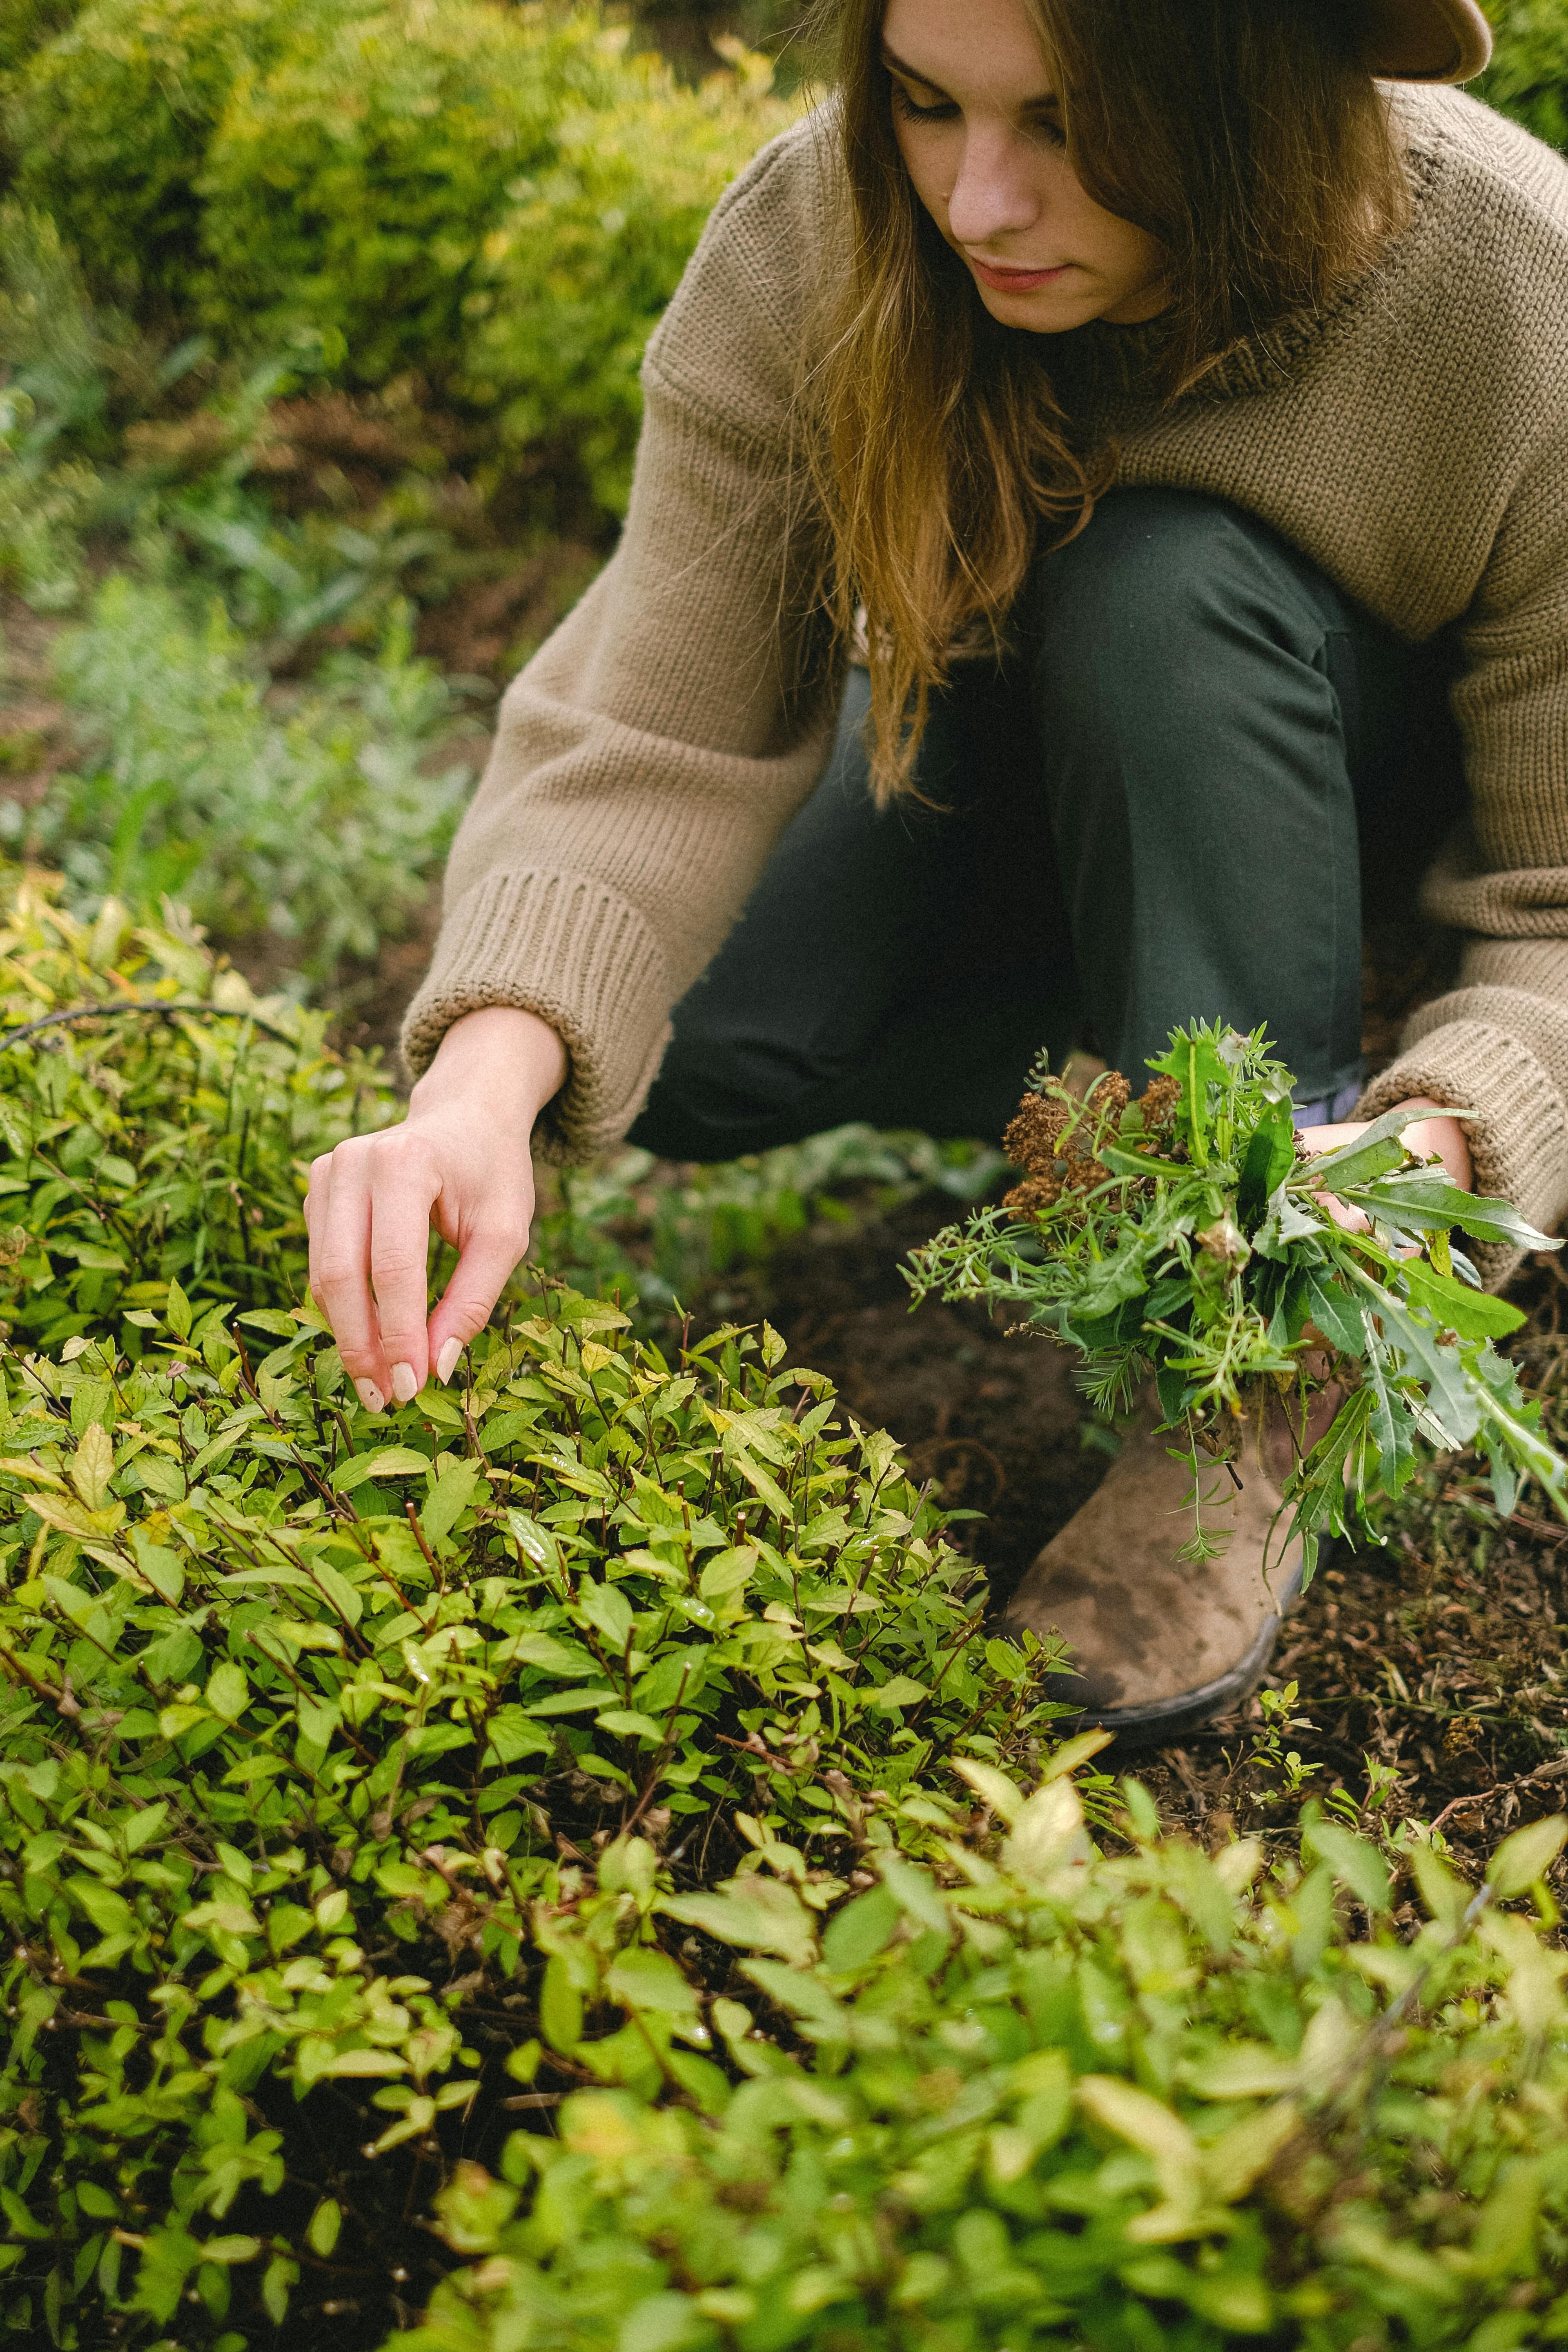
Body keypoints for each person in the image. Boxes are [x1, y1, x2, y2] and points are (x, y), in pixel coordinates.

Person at [307, 0, 1568, 1744]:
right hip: (1070, 794)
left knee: (1161, 582)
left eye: (1065, 125)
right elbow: (655, 728)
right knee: (707, 1024)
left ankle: (1266, 1333)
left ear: (1245, 94)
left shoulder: (1515, 294)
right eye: (924, 105)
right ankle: (1151, 1102)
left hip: (1350, 822)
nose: (977, 204)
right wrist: (475, 1085)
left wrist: (1448, 1137)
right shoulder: (822, 236)